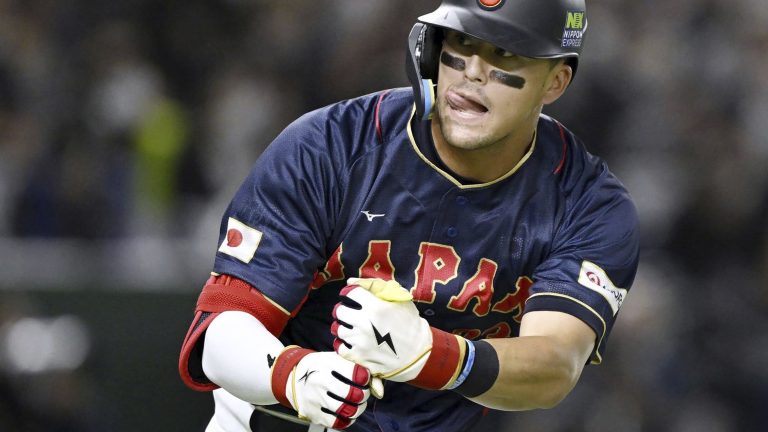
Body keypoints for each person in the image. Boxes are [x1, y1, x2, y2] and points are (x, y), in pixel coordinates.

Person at [178, 0, 639, 431]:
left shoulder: (587, 203)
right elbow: (219, 334)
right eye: (460, 43)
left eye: (504, 54)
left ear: (555, 82)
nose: (472, 72)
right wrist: (292, 375)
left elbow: (554, 365)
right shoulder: (328, 147)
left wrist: (427, 353)